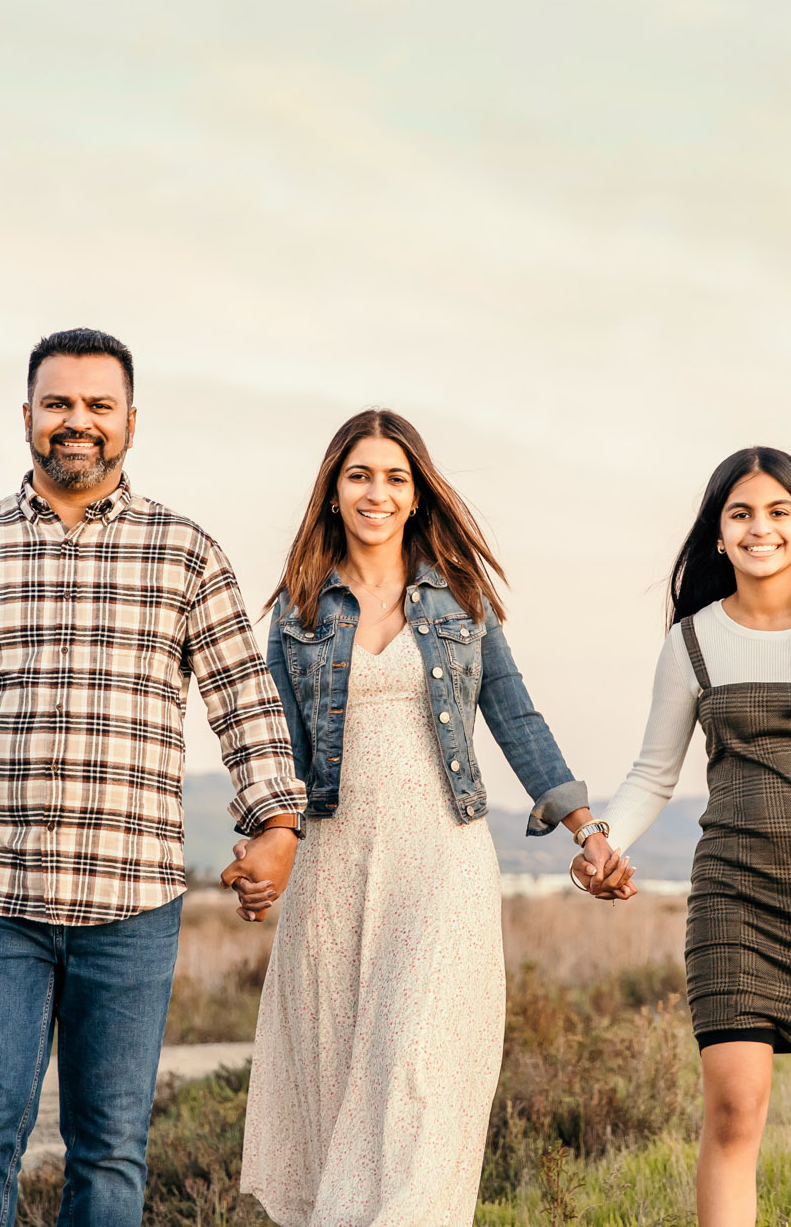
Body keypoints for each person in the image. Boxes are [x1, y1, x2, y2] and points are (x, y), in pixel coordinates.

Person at [0, 328, 306, 1227]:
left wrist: (276, 828)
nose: (77, 422)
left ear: (130, 421)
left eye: (99, 405)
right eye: (58, 403)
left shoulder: (185, 552)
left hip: (132, 900)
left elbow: (243, 701)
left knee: (110, 1149)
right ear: (26, 415)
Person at [236, 409, 621, 1227]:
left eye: (395, 477)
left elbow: (516, 717)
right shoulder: (300, 610)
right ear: (333, 491)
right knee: (340, 1075)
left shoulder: (462, 597)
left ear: (417, 495)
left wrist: (586, 832)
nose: (377, 492)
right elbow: (273, 747)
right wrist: (265, 839)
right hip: (334, 857)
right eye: (360, 475)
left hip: (441, 853)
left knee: (420, 1067)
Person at [585, 446, 791, 1227]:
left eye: (777, 512)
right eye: (740, 513)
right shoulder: (692, 643)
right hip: (732, 899)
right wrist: (601, 839)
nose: (758, 527)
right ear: (718, 534)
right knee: (735, 1111)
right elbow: (650, 774)